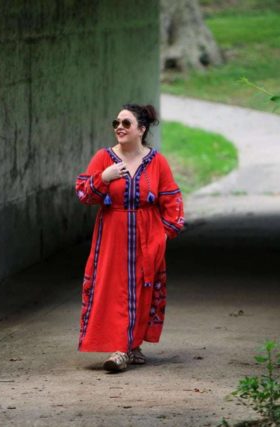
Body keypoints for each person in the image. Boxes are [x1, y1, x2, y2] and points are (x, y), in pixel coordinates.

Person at [75, 103, 184, 372]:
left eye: (126, 123)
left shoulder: (157, 161)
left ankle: (131, 345)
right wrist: (104, 177)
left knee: (142, 288)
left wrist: (163, 235)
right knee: (114, 290)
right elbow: (83, 195)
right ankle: (121, 349)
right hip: (112, 235)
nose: (119, 128)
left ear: (141, 129)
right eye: (116, 124)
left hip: (148, 236)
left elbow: (172, 199)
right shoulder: (104, 158)